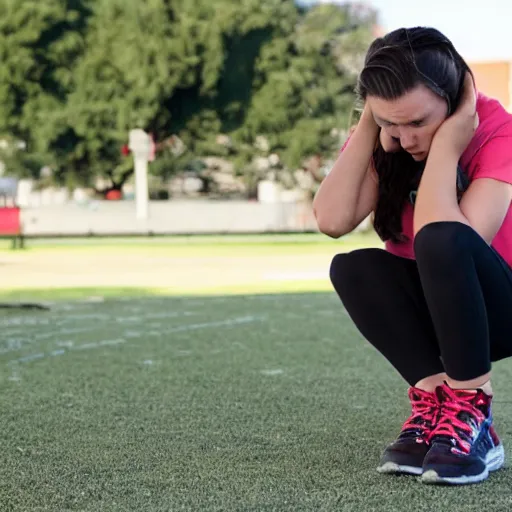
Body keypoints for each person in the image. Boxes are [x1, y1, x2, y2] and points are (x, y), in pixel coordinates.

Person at [313, 26, 512, 485]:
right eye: (389, 123)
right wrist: (371, 122)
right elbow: (332, 219)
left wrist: (448, 143)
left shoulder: (498, 133)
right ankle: (438, 405)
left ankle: (473, 413)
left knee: (442, 240)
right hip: (438, 312)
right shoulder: (388, 129)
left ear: (454, 100)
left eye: (418, 123)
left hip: (497, 309)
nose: (404, 138)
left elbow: (449, 243)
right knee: (353, 267)